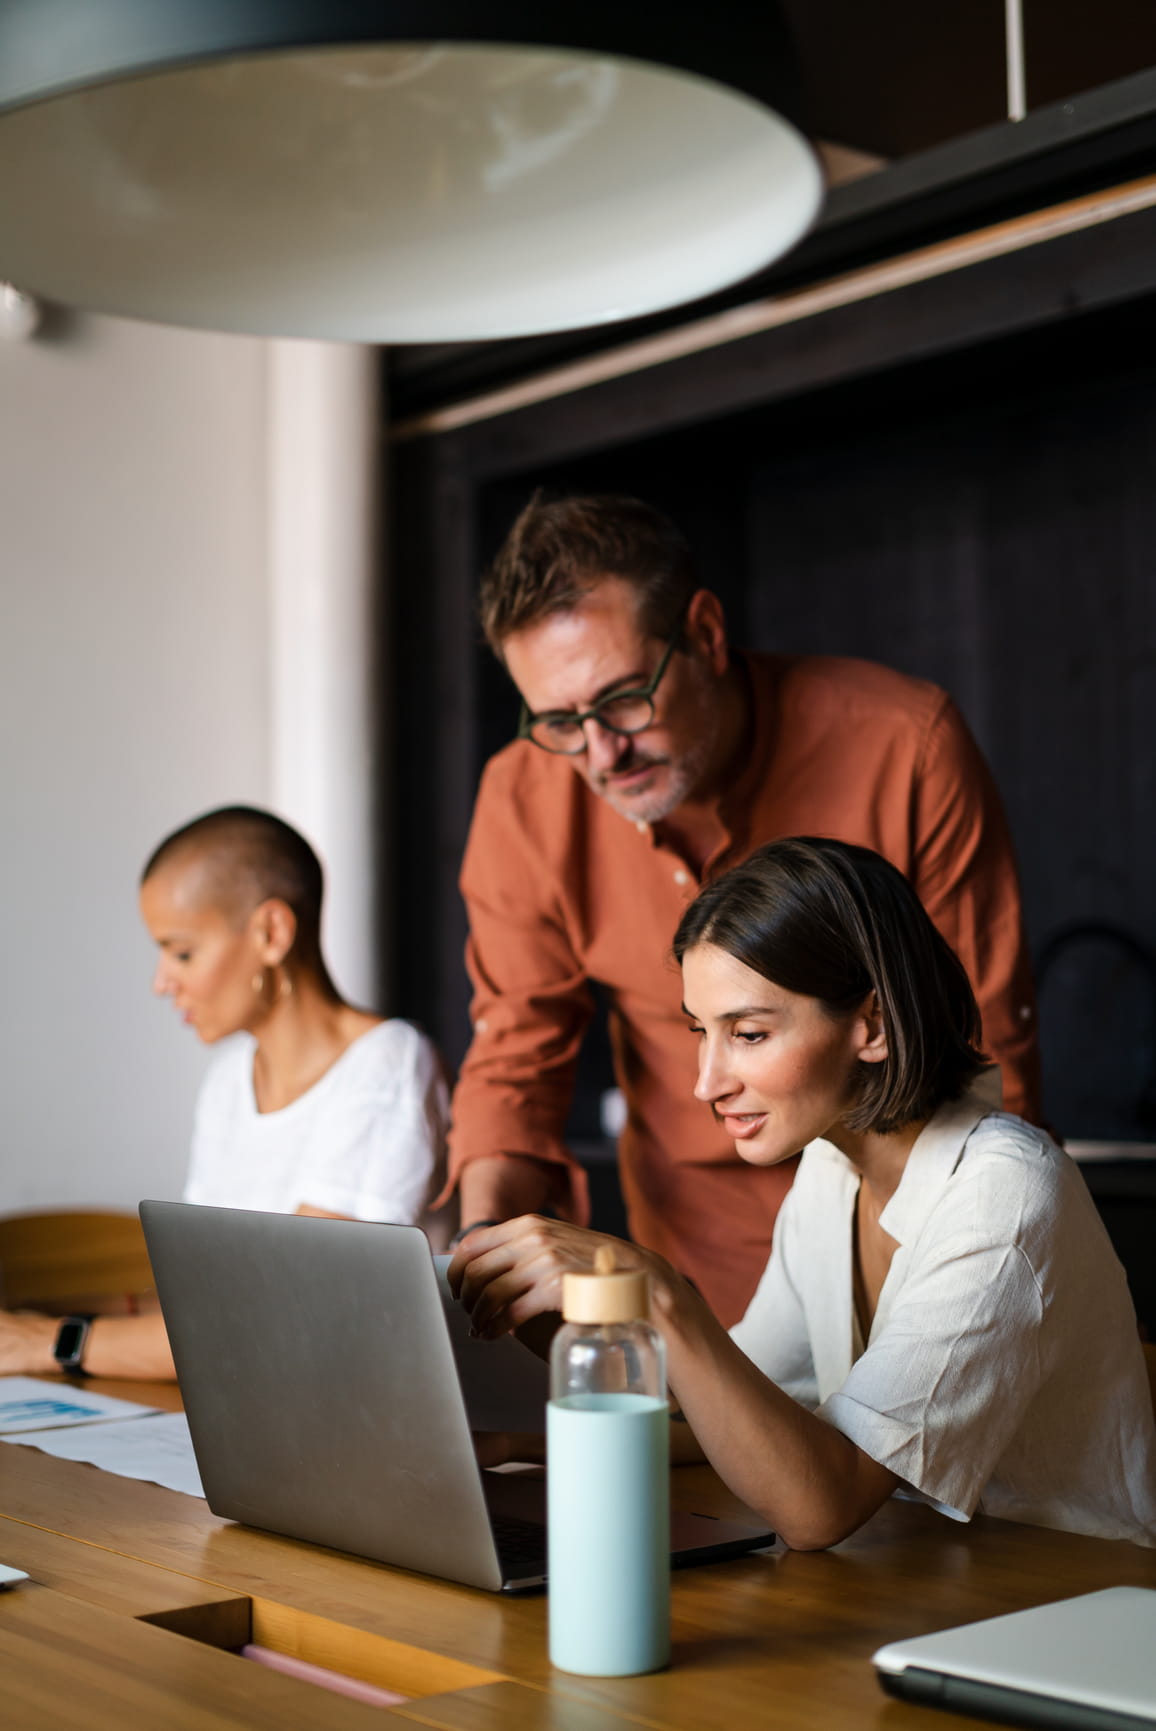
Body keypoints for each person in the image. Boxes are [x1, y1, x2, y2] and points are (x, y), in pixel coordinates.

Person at [450, 839, 1156, 1551]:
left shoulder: (1004, 1195)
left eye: (749, 1033)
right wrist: (524, 1431)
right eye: (701, 1032)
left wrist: (660, 1293)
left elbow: (825, 1502)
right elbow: (744, 1409)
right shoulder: (830, 1169)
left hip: (1070, 1606)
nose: (707, 1081)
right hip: (923, 1581)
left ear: (872, 1025)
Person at [447, 493, 1041, 1323]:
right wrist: (479, 1264)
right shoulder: (524, 797)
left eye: (623, 699)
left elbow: (982, 1056)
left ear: (706, 633)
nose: (600, 753)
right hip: (688, 1278)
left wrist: (941, 1292)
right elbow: (514, 1059)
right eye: (559, 720)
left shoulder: (906, 748)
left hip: (909, 1260)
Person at [0, 806, 448, 1379]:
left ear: (271, 933)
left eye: (181, 952)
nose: (162, 982)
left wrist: (47, 1341)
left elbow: (287, 1314)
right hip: (255, 1403)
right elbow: (206, 1296)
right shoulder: (228, 1078)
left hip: (355, 1416)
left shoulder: (388, 1063)